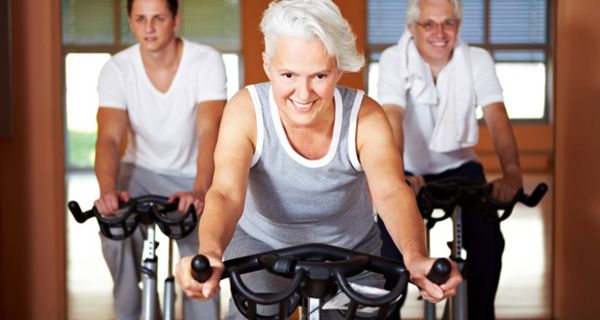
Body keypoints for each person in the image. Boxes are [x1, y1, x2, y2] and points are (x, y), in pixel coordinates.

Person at [174, 1, 462, 319]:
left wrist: (415, 257)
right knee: (258, 307)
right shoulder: (246, 110)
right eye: (288, 75)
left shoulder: (365, 116)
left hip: (349, 250)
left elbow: (391, 191)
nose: (303, 92)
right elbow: (226, 192)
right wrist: (211, 251)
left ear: (338, 69)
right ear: (267, 65)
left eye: (319, 75)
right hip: (260, 245)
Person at [376, 0, 524, 319]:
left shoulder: (476, 59)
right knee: (388, 251)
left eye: (449, 23)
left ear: (458, 26)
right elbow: (392, 115)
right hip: (408, 168)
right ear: (412, 28)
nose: (439, 33)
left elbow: (496, 116)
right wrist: (393, 174)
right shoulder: (393, 58)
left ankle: (476, 314)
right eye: (429, 24)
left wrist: (512, 173)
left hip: (460, 168)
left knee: (487, 244)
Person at [93, 0, 226, 319]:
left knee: (202, 257)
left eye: (158, 18)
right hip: (139, 171)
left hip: (192, 173)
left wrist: (200, 190)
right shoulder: (117, 69)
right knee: (113, 225)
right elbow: (110, 138)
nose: (148, 28)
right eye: (140, 19)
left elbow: (210, 133)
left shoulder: (206, 61)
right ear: (131, 21)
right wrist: (108, 190)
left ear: (176, 20)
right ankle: (130, 310)